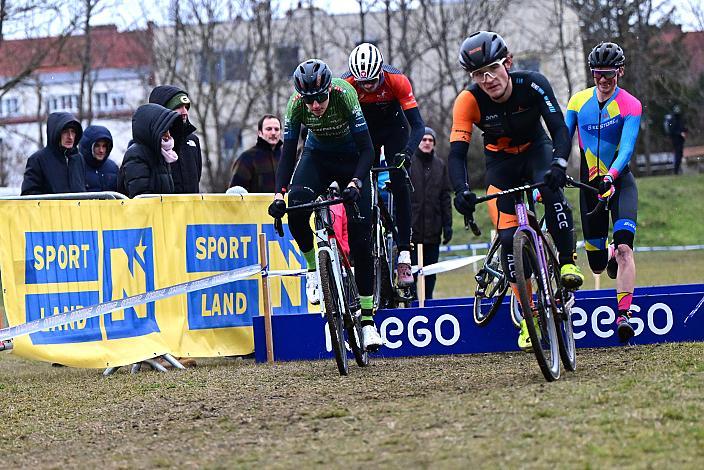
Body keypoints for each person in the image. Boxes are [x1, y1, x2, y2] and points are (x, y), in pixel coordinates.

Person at [447, 31, 582, 351]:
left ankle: (566, 261)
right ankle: (529, 316)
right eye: (478, 74)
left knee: (551, 193)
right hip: (500, 164)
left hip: (537, 150)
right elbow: (456, 155)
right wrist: (461, 191)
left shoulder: (532, 83)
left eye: (493, 68)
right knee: (508, 238)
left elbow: (560, 129)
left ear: (507, 62)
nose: (488, 79)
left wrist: (559, 165)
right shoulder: (468, 100)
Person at [267, 59, 383, 351]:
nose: (315, 105)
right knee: (295, 207)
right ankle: (313, 271)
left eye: (320, 98)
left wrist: (357, 182)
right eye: (309, 100)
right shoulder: (295, 106)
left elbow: (369, 149)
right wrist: (279, 195)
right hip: (317, 157)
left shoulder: (345, 94)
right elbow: (287, 155)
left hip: (352, 158)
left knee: (361, 238)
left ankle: (368, 322)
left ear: (329, 89)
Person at [565, 42, 642, 342]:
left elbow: (627, 147)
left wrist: (610, 176)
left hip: (620, 183)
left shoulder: (630, 104)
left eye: (609, 73)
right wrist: (554, 169)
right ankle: (605, 253)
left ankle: (624, 315)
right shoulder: (577, 102)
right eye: (598, 73)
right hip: (588, 187)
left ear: (620, 71)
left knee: (625, 248)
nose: (603, 80)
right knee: (597, 263)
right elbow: (563, 139)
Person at [343, 43, 426, 288]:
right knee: (356, 182)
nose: (368, 86)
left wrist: (408, 154)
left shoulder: (396, 80)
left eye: (372, 81)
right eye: (363, 83)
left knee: (399, 179)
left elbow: (418, 126)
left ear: (380, 72)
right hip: (364, 131)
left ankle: (403, 254)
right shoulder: (346, 84)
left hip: (393, 129)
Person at [409, 127, 452, 299]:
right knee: (410, 274)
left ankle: (428, 303)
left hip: (434, 230)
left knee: (430, 272)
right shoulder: (409, 163)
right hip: (412, 231)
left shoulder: (440, 166)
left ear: (434, 143)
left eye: (430, 140)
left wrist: (448, 225)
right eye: (424, 139)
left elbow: (445, 197)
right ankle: (411, 304)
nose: (427, 143)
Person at [118, 103, 185, 198]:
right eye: (164, 130)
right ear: (151, 129)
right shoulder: (136, 155)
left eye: (169, 130)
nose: (168, 135)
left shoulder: (161, 154)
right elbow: (141, 197)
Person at [148, 85, 202, 193]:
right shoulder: (148, 143)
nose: (185, 112)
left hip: (192, 208)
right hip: (164, 209)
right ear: (163, 110)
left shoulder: (193, 142)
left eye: (186, 107)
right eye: (178, 107)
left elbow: (197, 180)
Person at [21, 112, 85, 195]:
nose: (70, 137)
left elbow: (83, 191)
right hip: (50, 208)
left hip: (78, 208)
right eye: (65, 131)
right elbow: (29, 196)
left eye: (73, 131)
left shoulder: (78, 158)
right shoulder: (37, 160)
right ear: (55, 133)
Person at [229, 114, 283, 192]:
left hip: (285, 204)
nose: (273, 133)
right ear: (260, 133)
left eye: (277, 129)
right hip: (257, 204)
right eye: (269, 129)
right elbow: (236, 194)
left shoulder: (287, 157)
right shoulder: (247, 158)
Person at [80, 125, 119, 192]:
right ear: (88, 147)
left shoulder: (113, 168)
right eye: (97, 146)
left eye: (104, 146)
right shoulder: (77, 167)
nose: (101, 150)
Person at [668, 105, 687, 175]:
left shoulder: (680, 119)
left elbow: (683, 128)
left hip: (680, 140)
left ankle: (677, 170)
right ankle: (676, 170)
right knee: (678, 155)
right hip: (675, 140)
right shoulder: (672, 120)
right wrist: (680, 133)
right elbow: (672, 131)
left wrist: (684, 131)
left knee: (680, 154)